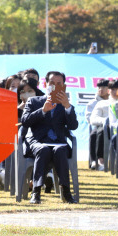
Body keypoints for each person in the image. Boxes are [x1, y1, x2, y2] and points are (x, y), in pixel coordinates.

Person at [21, 71, 78, 204]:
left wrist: (67, 106)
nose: (55, 86)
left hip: (58, 142)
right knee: (44, 149)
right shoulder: (34, 101)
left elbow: (73, 126)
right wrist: (43, 110)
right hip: (37, 142)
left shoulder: (66, 105)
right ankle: (36, 192)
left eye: (59, 83)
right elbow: (25, 121)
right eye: (52, 83)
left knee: (60, 150)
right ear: (46, 84)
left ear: (64, 86)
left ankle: (66, 193)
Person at [86, 79, 109, 170]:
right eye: (99, 87)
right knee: (93, 134)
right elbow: (89, 118)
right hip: (97, 125)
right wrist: (102, 122)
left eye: (103, 87)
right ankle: (94, 161)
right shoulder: (93, 102)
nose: (101, 89)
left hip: (111, 127)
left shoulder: (113, 101)